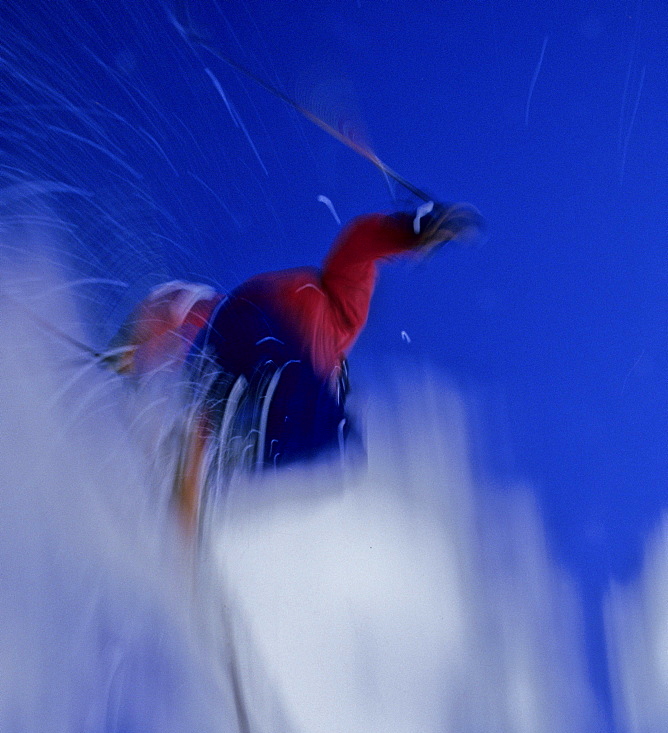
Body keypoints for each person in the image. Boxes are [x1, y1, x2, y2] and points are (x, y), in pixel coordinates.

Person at [111, 201, 483, 528]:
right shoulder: (339, 319)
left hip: (227, 341)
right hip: (274, 329)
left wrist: (126, 350)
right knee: (334, 439)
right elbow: (360, 242)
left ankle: (188, 500)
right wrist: (414, 229)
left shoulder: (227, 321)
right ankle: (197, 486)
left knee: (224, 426)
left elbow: (174, 302)